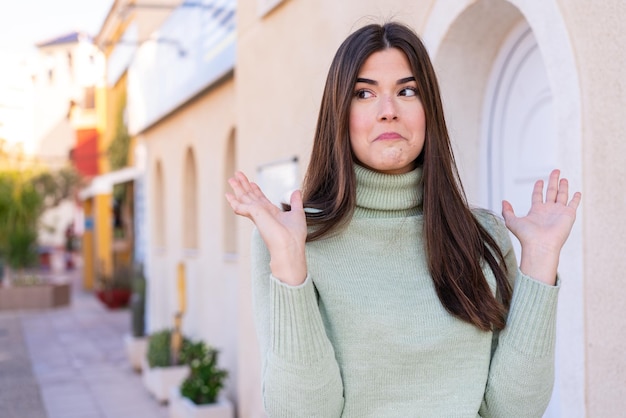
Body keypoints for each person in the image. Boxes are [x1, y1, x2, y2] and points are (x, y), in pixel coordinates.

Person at [226, 21, 581, 417]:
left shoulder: (482, 236)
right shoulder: (290, 238)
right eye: (364, 93)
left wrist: (540, 262)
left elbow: (513, 410)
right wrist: (291, 268)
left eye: (407, 91)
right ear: (339, 113)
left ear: (429, 110)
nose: (388, 112)